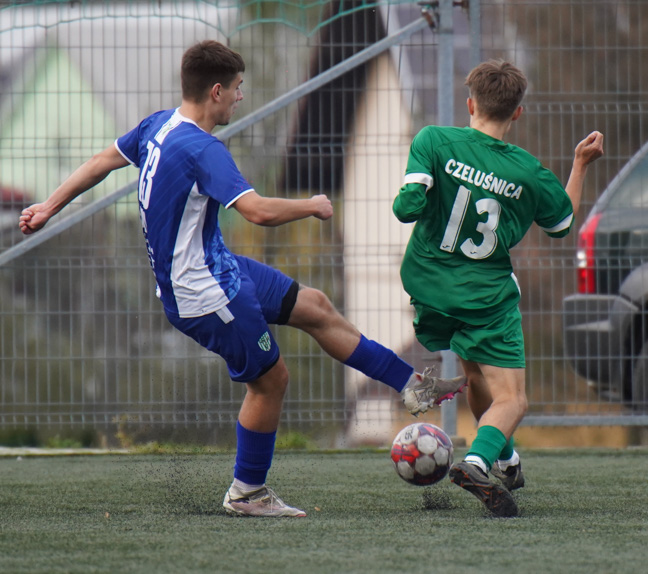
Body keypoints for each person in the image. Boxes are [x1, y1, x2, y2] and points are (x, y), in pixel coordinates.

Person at [19, 40, 466, 519]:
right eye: (236, 89)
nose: (240, 97)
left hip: (219, 266)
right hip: (204, 292)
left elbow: (100, 162)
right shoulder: (202, 149)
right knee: (271, 381)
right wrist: (311, 206)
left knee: (314, 305)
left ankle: (411, 386)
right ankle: (247, 492)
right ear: (215, 91)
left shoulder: (158, 125)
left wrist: (49, 205)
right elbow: (255, 212)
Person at [393, 59, 604, 517]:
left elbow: (410, 200)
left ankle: (505, 458)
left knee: (477, 378)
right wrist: (580, 164)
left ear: (470, 103)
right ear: (517, 113)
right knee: (513, 398)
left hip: (430, 285)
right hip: (484, 295)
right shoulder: (526, 170)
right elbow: (563, 221)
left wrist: (408, 203)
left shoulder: (433, 139)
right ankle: (475, 461)